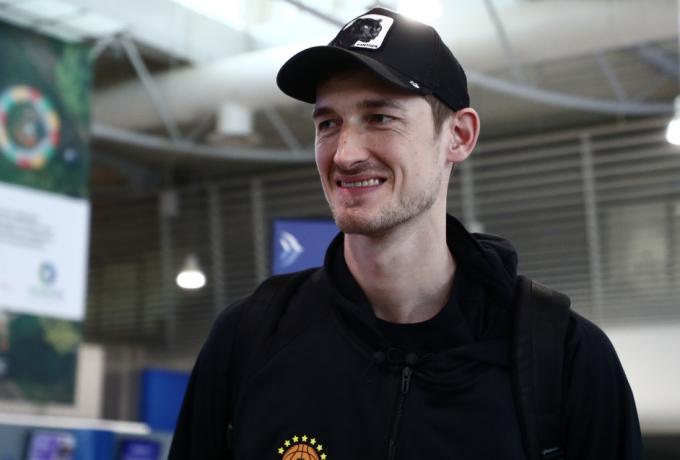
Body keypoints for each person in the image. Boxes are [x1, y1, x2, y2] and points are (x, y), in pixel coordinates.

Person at [169, 7, 642, 460]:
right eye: (329, 123)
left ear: (458, 136)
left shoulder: (564, 356)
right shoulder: (249, 338)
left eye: (380, 118)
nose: (345, 154)